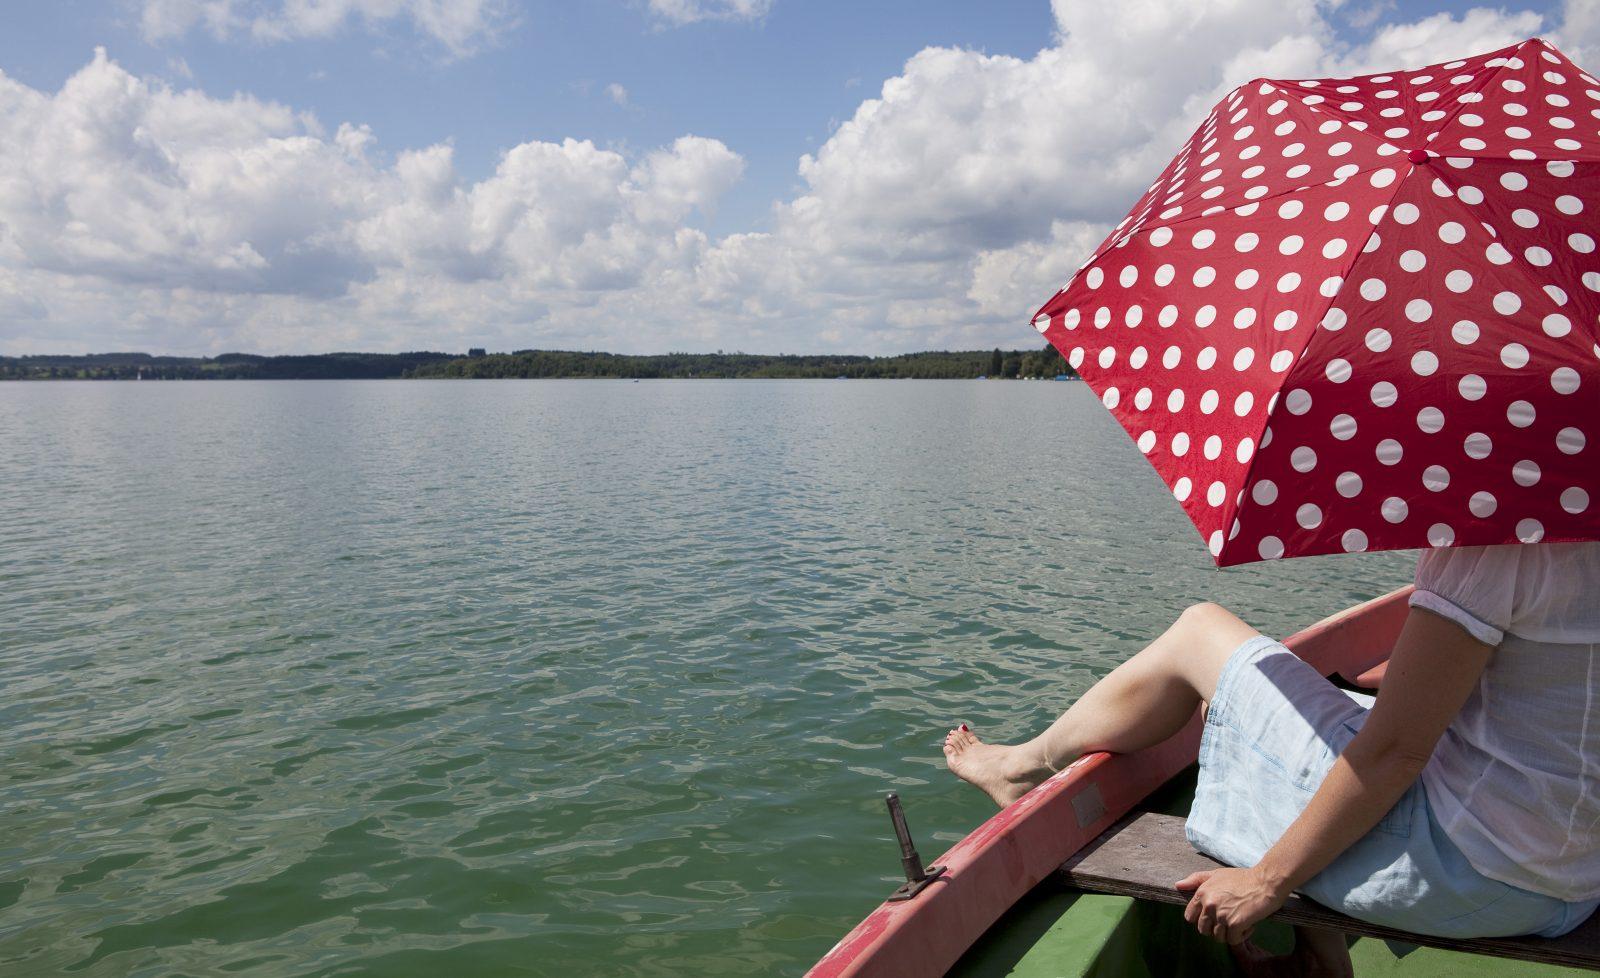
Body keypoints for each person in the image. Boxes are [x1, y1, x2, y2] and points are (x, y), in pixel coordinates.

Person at [944, 543, 1600, 975]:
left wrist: (1265, 884)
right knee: (1323, 715)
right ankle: (1323, 959)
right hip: (1575, 877)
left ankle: (1023, 766)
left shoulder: (1503, 539)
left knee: (1200, 635)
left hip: (1472, 873)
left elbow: (1395, 755)